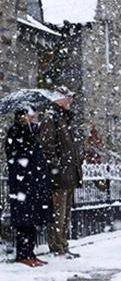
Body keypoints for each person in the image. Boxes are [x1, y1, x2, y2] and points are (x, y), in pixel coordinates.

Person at [5, 107, 53, 267]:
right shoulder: (15, 132)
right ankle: (23, 253)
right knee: (24, 219)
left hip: (32, 182)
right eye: (29, 114)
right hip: (22, 183)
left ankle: (30, 252)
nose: (32, 116)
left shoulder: (32, 132)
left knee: (32, 218)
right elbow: (15, 155)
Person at [39, 87, 82, 259]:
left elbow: (70, 149)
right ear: (58, 99)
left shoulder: (64, 119)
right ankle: (57, 247)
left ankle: (63, 245)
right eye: (67, 97)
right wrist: (56, 169)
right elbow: (47, 147)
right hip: (59, 176)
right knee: (58, 214)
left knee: (66, 215)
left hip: (69, 175)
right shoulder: (51, 119)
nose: (70, 100)